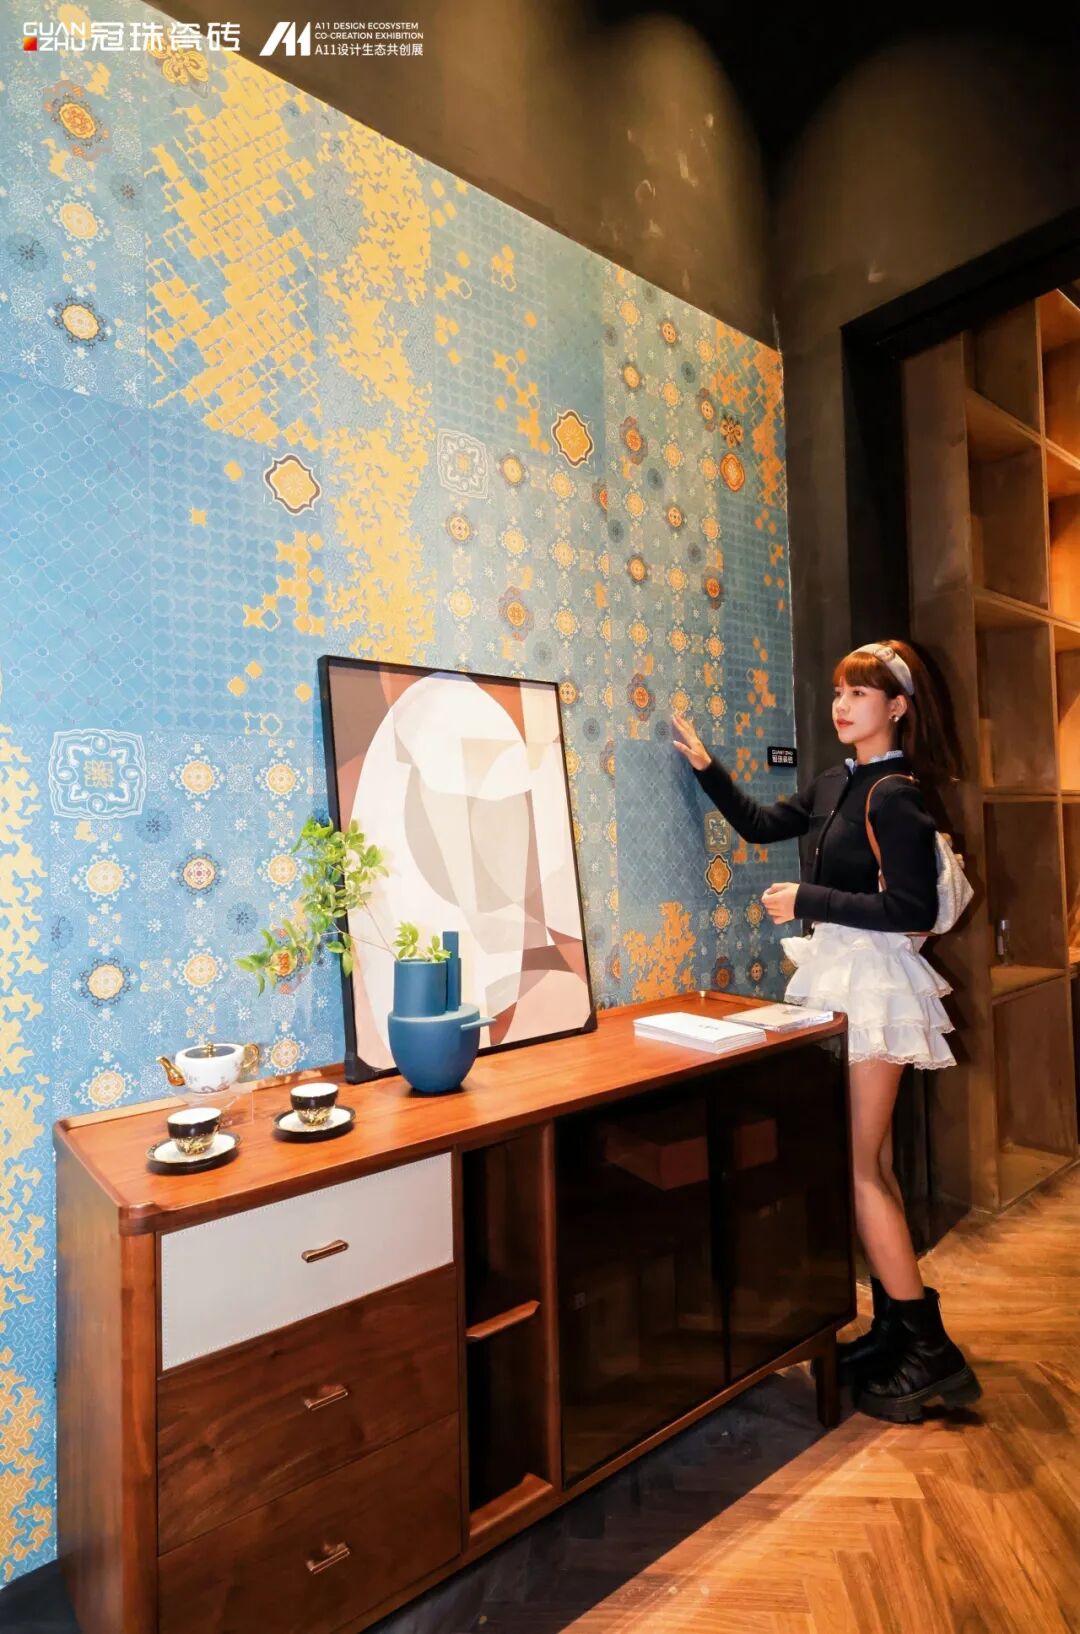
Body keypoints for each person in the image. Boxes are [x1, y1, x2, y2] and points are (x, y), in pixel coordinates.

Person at [672, 639, 980, 1423]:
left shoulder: (896, 795)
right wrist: (706, 767)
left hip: (875, 984)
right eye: (839, 692)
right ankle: (895, 1328)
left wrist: (807, 899)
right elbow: (758, 825)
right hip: (850, 978)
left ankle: (929, 1351)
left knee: (860, 1168)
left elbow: (911, 907)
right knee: (869, 1163)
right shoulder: (836, 782)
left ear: (898, 707)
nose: (841, 706)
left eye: (860, 694)